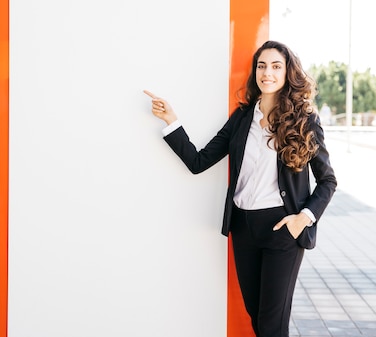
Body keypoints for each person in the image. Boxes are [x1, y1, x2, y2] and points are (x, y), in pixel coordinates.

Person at [144, 40, 337, 337]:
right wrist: (171, 120)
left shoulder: (304, 121)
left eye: (276, 66)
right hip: (244, 228)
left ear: (288, 73)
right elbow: (199, 161)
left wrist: (304, 217)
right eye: (262, 66)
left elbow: (328, 180)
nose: (267, 73)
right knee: (258, 321)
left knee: (272, 325)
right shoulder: (242, 118)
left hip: (282, 229)